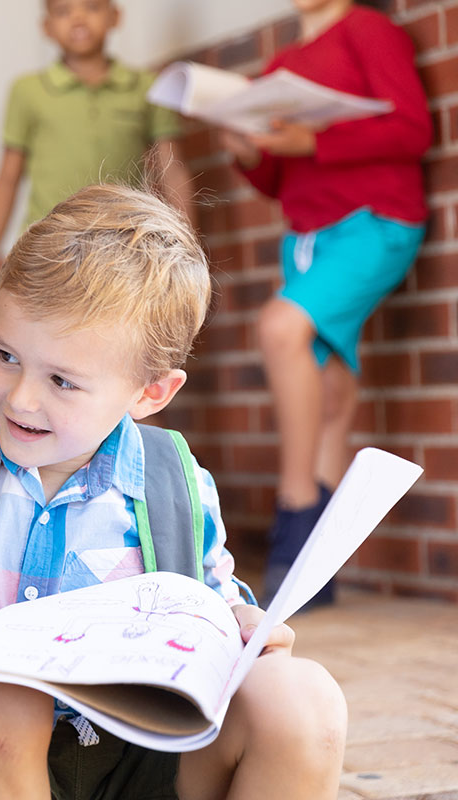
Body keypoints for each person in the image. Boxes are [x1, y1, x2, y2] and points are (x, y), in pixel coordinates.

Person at [0, 185, 348, 800]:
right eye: (6, 355)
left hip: (135, 758)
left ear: (150, 394)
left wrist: (246, 632)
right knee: (8, 698)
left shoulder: (179, 487)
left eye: (63, 380)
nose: (22, 397)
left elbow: (214, 619)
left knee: (304, 698)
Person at [220, 0, 430, 605]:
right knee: (330, 389)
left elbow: (412, 129)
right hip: (307, 237)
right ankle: (318, 575)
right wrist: (249, 149)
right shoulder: (282, 63)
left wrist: (314, 135)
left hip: (373, 223)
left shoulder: (369, 31)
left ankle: (297, 509)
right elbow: (281, 177)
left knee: (280, 329)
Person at [0, 0, 196, 337]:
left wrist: (186, 249)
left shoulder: (148, 88)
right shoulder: (27, 91)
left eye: (91, 6)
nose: (77, 17)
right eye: (62, 10)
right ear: (46, 27)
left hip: (123, 250)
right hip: (44, 248)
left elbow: (172, 171)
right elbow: (6, 181)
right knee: (27, 340)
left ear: (115, 17)